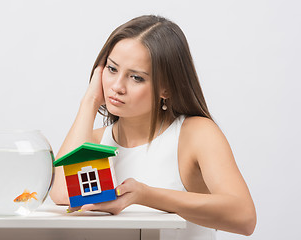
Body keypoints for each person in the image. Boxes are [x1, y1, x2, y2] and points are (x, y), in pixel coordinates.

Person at [50, 15, 256, 238]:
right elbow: (62, 194)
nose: (117, 86)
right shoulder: (95, 141)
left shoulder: (195, 134)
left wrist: (144, 195)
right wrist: (89, 102)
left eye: (136, 78)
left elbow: (244, 218)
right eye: (111, 69)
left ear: (165, 88)